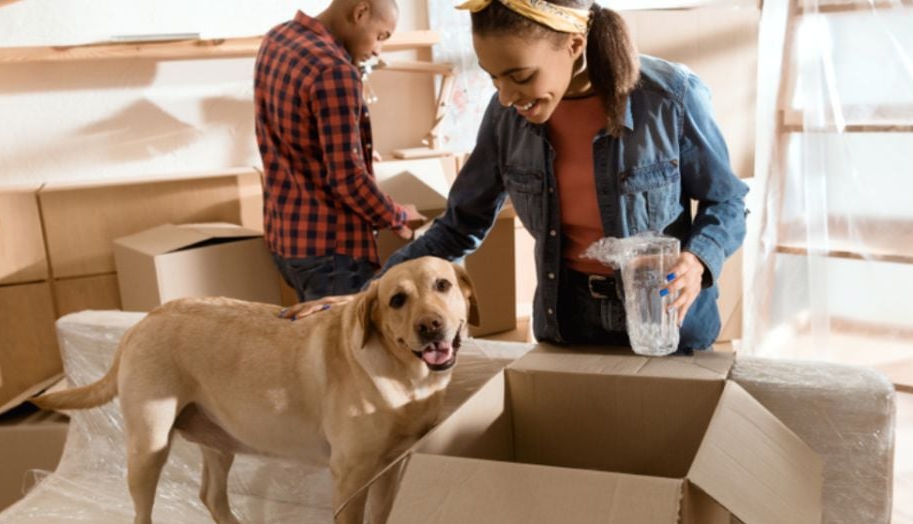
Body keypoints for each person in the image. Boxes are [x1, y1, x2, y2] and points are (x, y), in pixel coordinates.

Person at [283, 0, 748, 354]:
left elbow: (727, 202)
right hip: (568, 322)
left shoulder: (669, 97)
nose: (506, 97)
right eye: (493, 78)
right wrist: (365, 295)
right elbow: (460, 225)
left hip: (667, 322)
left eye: (520, 76)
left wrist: (697, 261)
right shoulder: (505, 118)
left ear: (574, 45)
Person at [254, 0, 420, 301]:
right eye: (381, 36)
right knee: (344, 334)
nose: (378, 50)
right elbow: (347, 179)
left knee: (314, 330)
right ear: (360, 12)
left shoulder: (277, 38)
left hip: (286, 239)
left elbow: (294, 133)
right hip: (331, 253)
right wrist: (397, 216)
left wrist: (352, 149)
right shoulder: (334, 71)